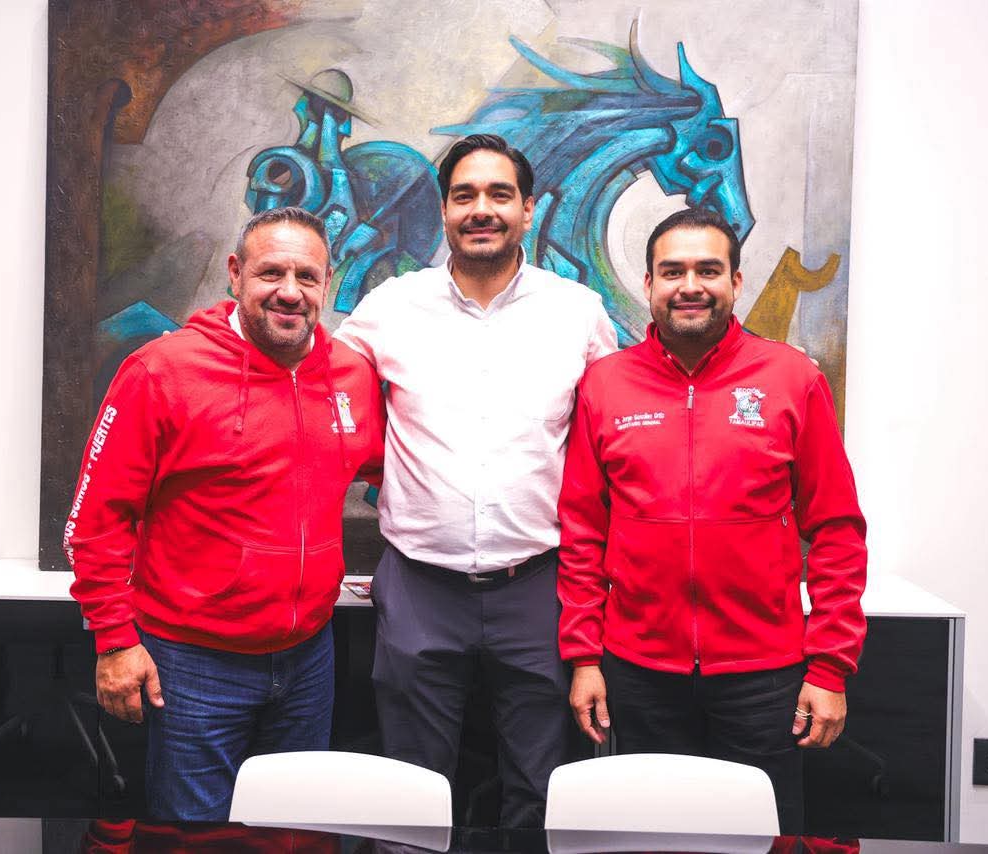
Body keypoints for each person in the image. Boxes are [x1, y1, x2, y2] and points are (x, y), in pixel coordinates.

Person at [334, 134, 618, 827]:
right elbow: (317, 391)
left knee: (542, 790)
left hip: (539, 589)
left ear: (529, 208)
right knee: (411, 791)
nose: (481, 209)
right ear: (444, 209)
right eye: (464, 195)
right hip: (419, 587)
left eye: (499, 194)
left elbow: (609, 437)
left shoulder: (578, 311)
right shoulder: (389, 307)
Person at [64, 207, 384, 821]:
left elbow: (390, 470)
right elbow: (96, 521)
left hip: (309, 656)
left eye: (306, 276)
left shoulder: (351, 375)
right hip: (192, 663)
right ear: (235, 274)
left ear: (328, 283)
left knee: (293, 829)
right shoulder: (162, 371)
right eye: (270, 273)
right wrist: (114, 640)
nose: (289, 291)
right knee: (194, 834)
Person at [558, 207, 867, 833]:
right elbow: (582, 534)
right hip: (639, 671)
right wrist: (585, 657)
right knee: (651, 839)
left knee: (762, 837)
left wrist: (831, 666)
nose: (690, 286)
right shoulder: (604, 385)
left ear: (736, 281)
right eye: (673, 271)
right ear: (649, 283)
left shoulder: (792, 378)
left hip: (764, 674)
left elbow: (837, 530)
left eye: (708, 270)